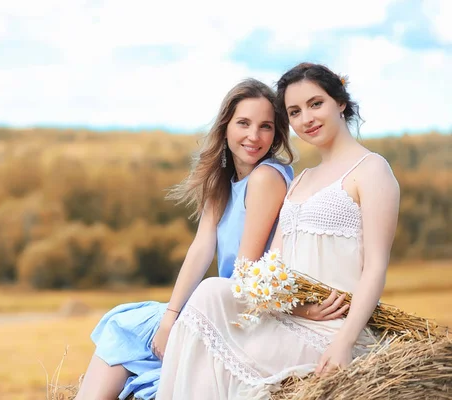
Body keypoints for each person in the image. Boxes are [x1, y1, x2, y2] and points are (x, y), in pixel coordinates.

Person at [156, 62, 400, 400]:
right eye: (295, 111)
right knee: (211, 293)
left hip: (335, 328)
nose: (307, 119)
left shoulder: (372, 170)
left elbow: (375, 267)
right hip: (292, 319)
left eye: (316, 104)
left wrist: (343, 342)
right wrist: (293, 308)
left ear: (340, 102)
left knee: (211, 303)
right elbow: (271, 267)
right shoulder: (301, 180)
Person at [74, 78, 298, 400]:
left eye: (266, 126)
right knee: (129, 324)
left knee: (125, 326)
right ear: (225, 127)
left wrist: (182, 321)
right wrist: (170, 317)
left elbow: (246, 273)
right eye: (244, 123)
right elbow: (201, 248)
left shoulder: (265, 178)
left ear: (277, 134)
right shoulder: (224, 181)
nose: (254, 136)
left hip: (245, 308)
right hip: (223, 299)